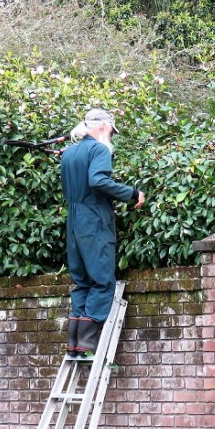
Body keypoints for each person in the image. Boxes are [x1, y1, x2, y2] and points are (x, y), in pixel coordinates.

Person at [61, 108, 146, 355]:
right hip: (94, 222)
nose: (111, 135)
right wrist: (132, 194)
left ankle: (75, 345)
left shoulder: (68, 153)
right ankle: (88, 344)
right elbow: (98, 180)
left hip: (73, 222)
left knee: (82, 282)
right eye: (111, 130)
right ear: (102, 126)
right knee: (102, 281)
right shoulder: (99, 149)